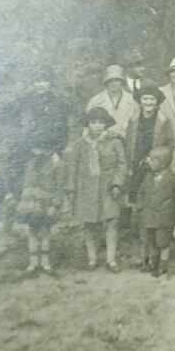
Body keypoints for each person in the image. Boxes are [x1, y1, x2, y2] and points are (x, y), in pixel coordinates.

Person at [65, 106, 126, 271]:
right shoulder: (80, 144)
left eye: (101, 122)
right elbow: (73, 168)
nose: (98, 126)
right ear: (88, 124)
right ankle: (92, 259)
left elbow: (122, 165)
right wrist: (71, 188)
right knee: (90, 224)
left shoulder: (115, 142)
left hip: (108, 187)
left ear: (106, 124)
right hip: (87, 188)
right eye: (94, 122)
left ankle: (111, 260)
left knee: (112, 221)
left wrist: (117, 183)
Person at [15, 145, 65, 274]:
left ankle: (45, 262)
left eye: (42, 149)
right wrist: (24, 203)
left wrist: (55, 204)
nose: (38, 152)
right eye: (36, 149)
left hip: (46, 202)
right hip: (31, 202)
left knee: (45, 232)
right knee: (32, 231)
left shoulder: (56, 164)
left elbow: (59, 186)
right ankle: (33, 263)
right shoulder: (30, 164)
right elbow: (26, 183)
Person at [130, 146, 175, 276]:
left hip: (165, 216)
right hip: (149, 215)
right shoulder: (147, 177)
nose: (148, 162)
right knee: (151, 240)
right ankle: (153, 262)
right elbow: (141, 192)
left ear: (162, 163)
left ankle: (163, 265)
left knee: (163, 242)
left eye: (152, 160)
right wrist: (140, 205)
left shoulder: (172, 178)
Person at [86, 64, 138, 138]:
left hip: (125, 139)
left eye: (117, 80)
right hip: (101, 139)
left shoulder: (131, 100)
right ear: (106, 82)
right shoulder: (95, 101)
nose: (113, 83)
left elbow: (135, 125)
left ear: (122, 82)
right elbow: (87, 126)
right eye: (110, 80)